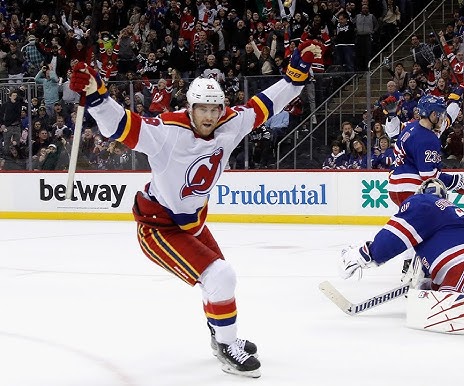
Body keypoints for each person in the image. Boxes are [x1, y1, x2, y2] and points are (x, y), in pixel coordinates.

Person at [68, 41, 323, 378]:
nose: (209, 116)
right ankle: (228, 346)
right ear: (190, 108)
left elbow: (266, 104)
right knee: (220, 277)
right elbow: (121, 126)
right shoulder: (166, 133)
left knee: (218, 280)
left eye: (214, 109)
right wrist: (97, 95)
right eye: (202, 109)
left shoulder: (229, 124)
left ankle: (222, 339)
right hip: (159, 227)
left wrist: (297, 75)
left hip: (192, 223)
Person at [339, 178, 464, 339]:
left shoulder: (421, 203)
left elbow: (394, 237)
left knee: (445, 307)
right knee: (436, 299)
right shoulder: (447, 215)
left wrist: (365, 254)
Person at [388, 94, 464, 207]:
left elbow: (394, 133)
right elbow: (429, 176)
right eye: (441, 114)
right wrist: (458, 182)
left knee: (416, 222)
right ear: (433, 114)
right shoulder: (427, 139)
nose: (443, 118)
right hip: (412, 190)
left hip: (395, 187)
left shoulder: (411, 126)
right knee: (439, 220)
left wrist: (456, 100)